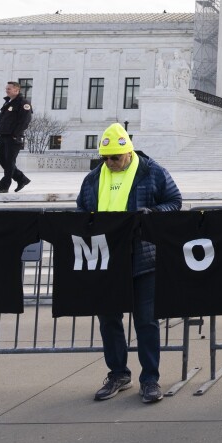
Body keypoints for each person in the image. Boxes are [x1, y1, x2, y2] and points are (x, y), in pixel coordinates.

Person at [78, 123, 183, 404]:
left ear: (128, 151)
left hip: (143, 259)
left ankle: (150, 379)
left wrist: (149, 214)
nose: (110, 163)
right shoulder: (92, 179)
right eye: (105, 158)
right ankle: (118, 374)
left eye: (115, 157)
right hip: (106, 261)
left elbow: (174, 202)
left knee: (146, 322)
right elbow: (80, 210)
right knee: (109, 320)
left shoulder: (151, 171)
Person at [0, 81, 32, 193]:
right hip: (4, 135)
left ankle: (4, 186)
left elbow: (25, 121)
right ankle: (21, 179)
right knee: (1, 158)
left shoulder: (23, 103)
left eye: (9, 89)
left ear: (17, 90)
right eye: (6, 88)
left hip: (14, 137)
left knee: (9, 162)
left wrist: (15, 134)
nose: (6, 90)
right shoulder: (8, 102)